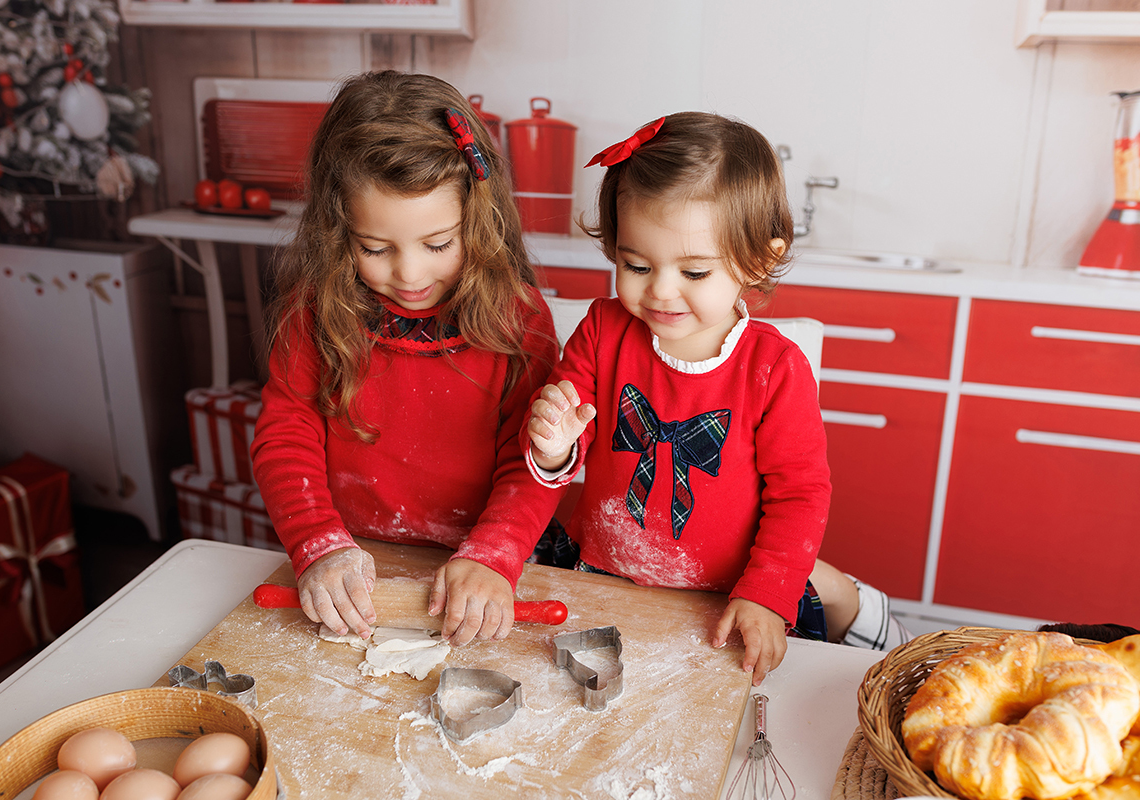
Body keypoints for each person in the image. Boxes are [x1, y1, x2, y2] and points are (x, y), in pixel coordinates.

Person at [523, 112, 909, 685]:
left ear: (755, 260)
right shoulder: (603, 330)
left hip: (727, 597)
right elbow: (567, 439)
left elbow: (800, 494)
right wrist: (554, 446)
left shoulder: (775, 369)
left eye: (694, 271)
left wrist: (769, 595)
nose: (659, 289)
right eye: (636, 265)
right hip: (601, 573)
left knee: (859, 656)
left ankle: (867, 612)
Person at [251, 70, 561, 648]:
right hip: (352, 566)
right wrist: (317, 540)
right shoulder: (316, 311)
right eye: (374, 248)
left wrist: (495, 554)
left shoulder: (518, 320)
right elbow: (285, 432)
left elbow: (533, 460)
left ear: (479, 218)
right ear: (337, 229)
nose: (411, 274)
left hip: (480, 571)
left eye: (439, 243)